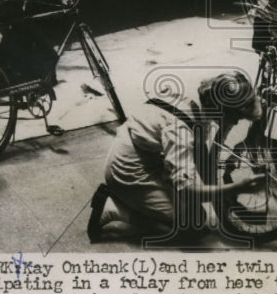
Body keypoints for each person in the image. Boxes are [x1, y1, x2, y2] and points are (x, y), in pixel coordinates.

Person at [87, 71, 266, 242]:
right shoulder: (180, 131)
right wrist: (235, 188)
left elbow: (206, 156)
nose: (236, 122)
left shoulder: (202, 95)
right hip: (128, 169)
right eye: (235, 117)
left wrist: (226, 124)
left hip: (148, 151)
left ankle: (156, 193)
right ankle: (114, 208)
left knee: (201, 161)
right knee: (194, 225)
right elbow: (189, 189)